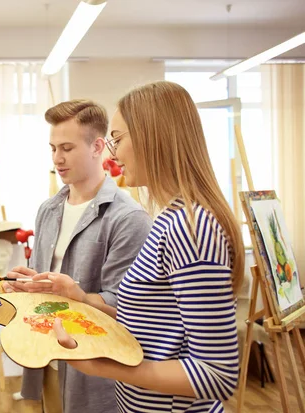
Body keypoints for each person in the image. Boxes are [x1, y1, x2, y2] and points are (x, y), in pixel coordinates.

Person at [20, 81, 245, 413]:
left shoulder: (190, 227)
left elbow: (218, 374)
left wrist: (99, 365)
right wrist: (78, 296)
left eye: (118, 139)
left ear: (152, 137)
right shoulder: (171, 218)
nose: (113, 152)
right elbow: (150, 318)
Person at [3, 99, 152, 413]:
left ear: (98, 146)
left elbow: (125, 307)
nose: (57, 158)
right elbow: (45, 282)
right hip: (46, 360)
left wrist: (78, 294)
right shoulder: (48, 210)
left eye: (67, 148)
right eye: (53, 148)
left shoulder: (128, 218)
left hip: (92, 372)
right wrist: (26, 285)